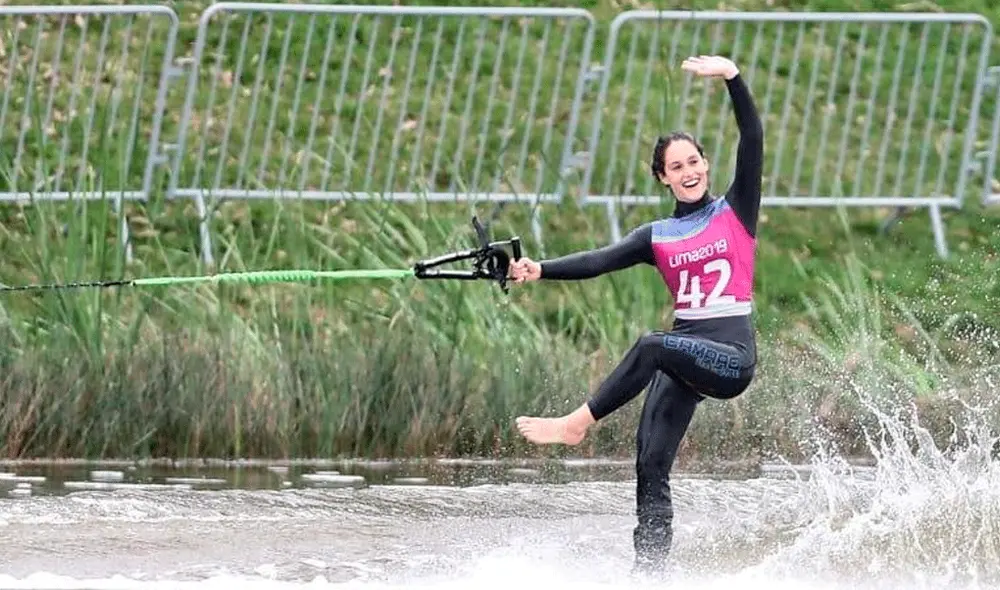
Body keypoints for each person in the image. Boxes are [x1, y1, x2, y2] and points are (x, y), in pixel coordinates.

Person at [509, 55, 763, 576]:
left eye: (694, 162)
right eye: (677, 167)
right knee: (649, 465)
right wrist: (539, 270)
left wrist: (732, 77)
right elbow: (598, 260)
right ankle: (649, 575)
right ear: (663, 178)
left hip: (731, 357)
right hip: (685, 357)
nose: (689, 172)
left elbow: (753, 137)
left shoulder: (736, 210)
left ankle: (575, 425)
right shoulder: (657, 236)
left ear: (706, 164)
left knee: (652, 344)